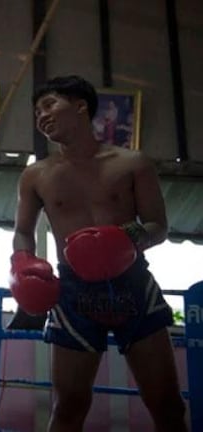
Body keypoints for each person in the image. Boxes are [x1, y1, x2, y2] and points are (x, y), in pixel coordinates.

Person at [10, 75, 187, 431]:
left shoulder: (133, 163)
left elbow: (157, 225)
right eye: (36, 111)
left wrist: (123, 239)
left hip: (132, 284)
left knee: (166, 404)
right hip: (75, 292)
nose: (41, 116)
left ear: (81, 107)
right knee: (69, 406)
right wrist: (22, 262)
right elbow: (23, 232)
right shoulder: (35, 175)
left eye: (50, 105)